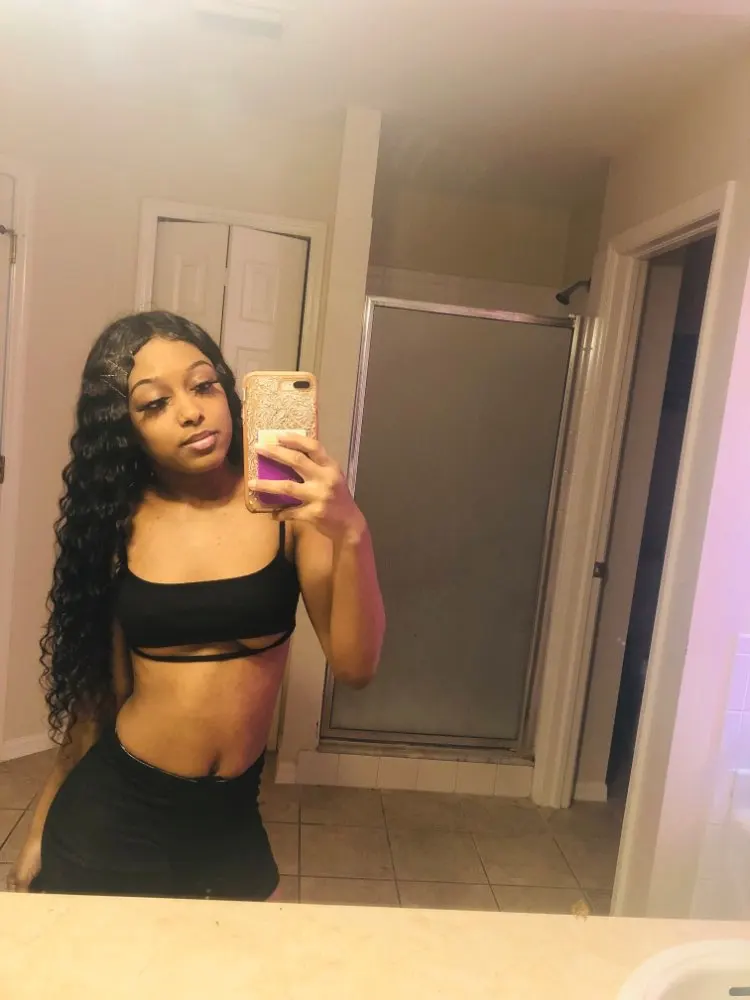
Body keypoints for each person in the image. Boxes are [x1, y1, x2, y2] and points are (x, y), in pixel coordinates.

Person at [5, 311, 385, 901]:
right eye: (155, 404)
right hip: (116, 817)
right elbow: (98, 699)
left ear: (227, 391)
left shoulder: (289, 512)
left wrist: (352, 531)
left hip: (231, 820)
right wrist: (39, 825)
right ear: (126, 429)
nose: (191, 412)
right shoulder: (119, 526)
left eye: (203, 385)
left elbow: (356, 668)